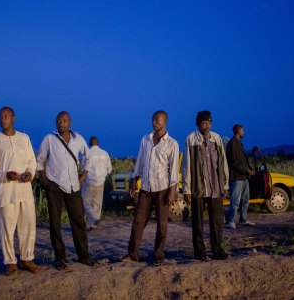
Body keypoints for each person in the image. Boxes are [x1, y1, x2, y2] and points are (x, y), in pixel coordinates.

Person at [36, 111, 100, 270]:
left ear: (69, 123)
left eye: (64, 121)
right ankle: (60, 259)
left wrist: (83, 176)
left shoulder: (78, 139)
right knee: (55, 223)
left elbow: (88, 157)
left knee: (78, 222)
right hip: (54, 186)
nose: (61, 123)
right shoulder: (49, 139)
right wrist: (45, 181)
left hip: (73, 186)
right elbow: (39, 161)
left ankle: (84, 257)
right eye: (58, 120)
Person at [0, 106, 41, 276]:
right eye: (0, 117)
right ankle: (10, 262)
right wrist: (5, 175)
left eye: (6, 116)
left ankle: (27, 259)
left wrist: (30, 174)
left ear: (14, 118)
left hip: (24, 190)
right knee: (7, 229)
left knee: (28, 226)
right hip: (6, 192)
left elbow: (32, 161)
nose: (3, 119)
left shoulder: (25, 138)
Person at [121, 110, 179, 265]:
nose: (154, 123)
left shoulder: (172, 144)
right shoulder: (145, 140)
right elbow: (140, 161)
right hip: (146, 188)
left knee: (162, 224)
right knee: (138, 221)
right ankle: (132, 254)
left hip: (162, 189)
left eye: (158, 120)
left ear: (165, 122)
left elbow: (173, 169)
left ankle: (158, 255)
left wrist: (172, 191)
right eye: (153, 120)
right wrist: (135, 179)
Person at [182, 111, 230, 261]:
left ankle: (217, 250)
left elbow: (223, 162)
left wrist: (225, 184)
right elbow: (186, 166)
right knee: (198, 222)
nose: (206, 125)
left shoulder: (217, 139)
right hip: (198, 188)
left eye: (209, 122)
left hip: (215, 187)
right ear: (198, 124)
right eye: (203, 122)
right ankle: (200, 252)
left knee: (217, 221)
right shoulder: (191, 139)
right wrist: (187, 188)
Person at [226, 124, 256, 229]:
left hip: (244, 177)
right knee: (235, 200)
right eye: (243, 130)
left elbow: (243, 161)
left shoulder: (239, 143)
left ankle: (243, 220)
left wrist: (250, 169)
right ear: (238, 131)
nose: (244, 132)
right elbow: (233, 162)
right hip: (236, 177)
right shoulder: (232, 143)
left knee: (245, 200)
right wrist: (246, 170)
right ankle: (231, 221)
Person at [80, 136, 112, 230]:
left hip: (89, 181)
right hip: (101, 182)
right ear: (98, 143)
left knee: (85, 202)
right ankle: (93, 224)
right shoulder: (105, 153)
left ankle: (93, 220)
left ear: (89, 143)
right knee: (97, 204)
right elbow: (109, 169)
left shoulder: (88, 153)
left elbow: (82, 168)